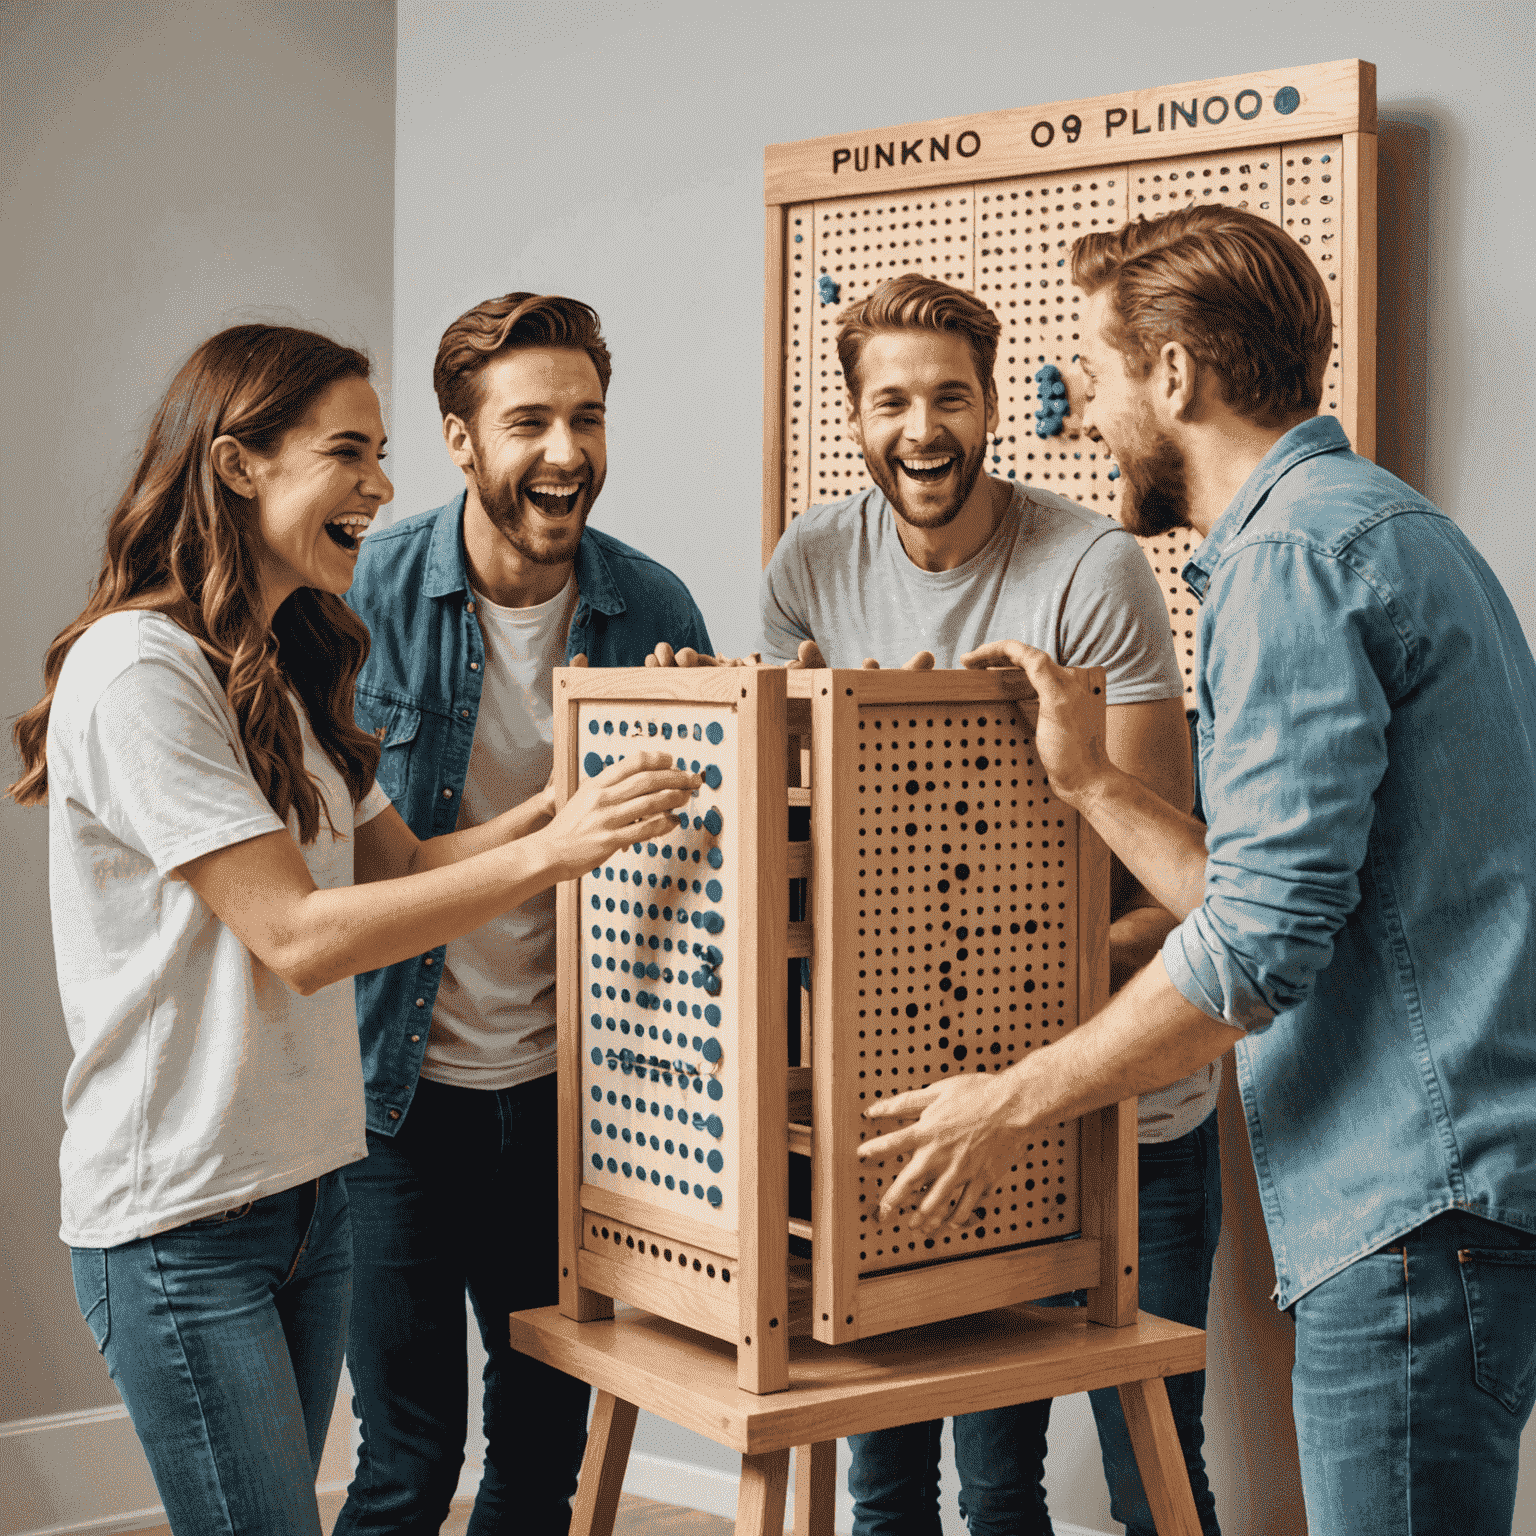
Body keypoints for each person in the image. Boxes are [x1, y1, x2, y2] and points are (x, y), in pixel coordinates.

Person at [863, 205, 1536, 1533]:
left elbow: (1256, 955)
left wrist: (1010, 1100)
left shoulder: (1289, 559)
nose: (1088, 415)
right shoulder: (1377, 523)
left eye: (1100, 377)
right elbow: (1276, 894)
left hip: (1408, 1202)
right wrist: (1093, 783)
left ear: (1174, 375)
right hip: (1449, 1197)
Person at [7, 324, 698, 1536]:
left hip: (305, 1192)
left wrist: (569, 805)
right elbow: (305, 935)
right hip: (180, 1218)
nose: (381, 487)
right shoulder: (139, 669)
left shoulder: (285, 658)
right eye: (349, 453)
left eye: (380, 455)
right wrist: (556, 849)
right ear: (236, 466)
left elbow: (413, 864)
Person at [660, 272, 1222, 1536]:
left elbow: (1161, 883)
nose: (924, 431)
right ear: (854, 414)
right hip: (915, 1098)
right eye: (894, 401)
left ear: (991, 406)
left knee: (1153, 1476)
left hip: (1121, 1100)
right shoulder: (811, 561)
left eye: (952, 399)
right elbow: (796, 849)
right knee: (898, 1477)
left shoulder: (1092, 568)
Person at [333, 293, 713, 1534]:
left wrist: (707, 733)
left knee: (544, 1453)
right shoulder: (358, 596)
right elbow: (355, 875)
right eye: (531, 421)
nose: (566, 452)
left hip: (574, 1098)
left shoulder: (654, 611)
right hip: (391, 1095)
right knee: (406, 1462)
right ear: (459, 439)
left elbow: (705, 872)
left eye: (587, 419)